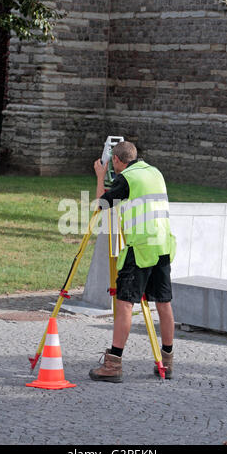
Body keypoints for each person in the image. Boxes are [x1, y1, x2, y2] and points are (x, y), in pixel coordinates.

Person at [89, 141, 176, 382]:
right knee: (164, 303)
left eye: (112, 163)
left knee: (125, 303)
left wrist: (99, 176)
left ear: (116, 160)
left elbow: (102, 204)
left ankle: (113, 364)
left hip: (139, 247)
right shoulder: (154, 172)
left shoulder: (126, 178)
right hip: (163, 245)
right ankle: (167, 362)